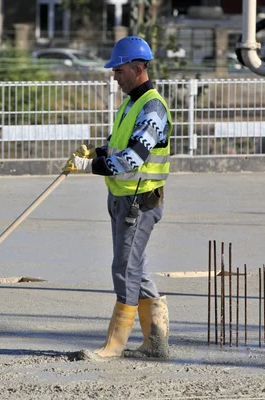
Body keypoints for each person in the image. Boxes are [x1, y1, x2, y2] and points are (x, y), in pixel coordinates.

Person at [63, 36, 171, 359]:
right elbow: (117, 147)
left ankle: (115, 344)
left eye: (119, 69)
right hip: (123, 200)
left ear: (138, 69)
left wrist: (88, 166)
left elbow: (133, 159)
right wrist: (94, 151)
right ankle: (157, 342)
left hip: (139, 203)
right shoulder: (129, 104)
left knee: (124, 268)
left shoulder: (152, 108)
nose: (114, 76)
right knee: (137, 266)